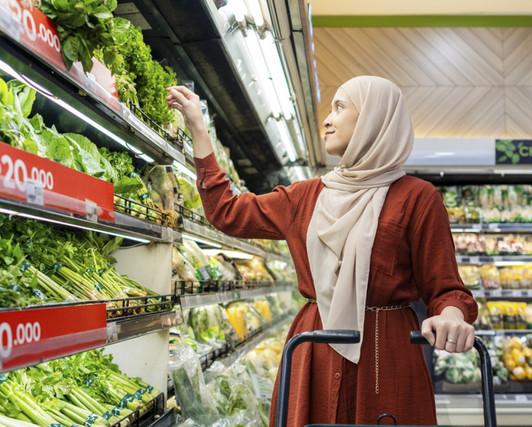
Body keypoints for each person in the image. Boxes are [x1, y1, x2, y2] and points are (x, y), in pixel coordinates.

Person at [166, 76, 478, 426]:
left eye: (340, 107)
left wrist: (452, 316)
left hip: (385, 353)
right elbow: (228, 212)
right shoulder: (306, 196)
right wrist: (198, 128)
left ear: (374, 119)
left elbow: (445, 288)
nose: (327, 120)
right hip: (314, 349)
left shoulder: (418, 198)